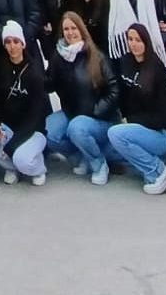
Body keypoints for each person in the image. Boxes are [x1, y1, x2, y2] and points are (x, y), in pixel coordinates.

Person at [45, 11, 120, 185]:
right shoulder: (58, 56)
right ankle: (81, 154)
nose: (70, 33)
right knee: (48, 131)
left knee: (77, 128)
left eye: (74, 28)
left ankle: (99, 164)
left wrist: (96, 110)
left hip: (99, 118)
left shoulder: (96, 56)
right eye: (66, 29)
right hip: (71, 114)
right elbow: (48, 84)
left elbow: (114, 90)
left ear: (81, 30)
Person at [105, 24, 166, 194]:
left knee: (116, 135)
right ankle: (154, 165)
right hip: (137, 127)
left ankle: (157, 170)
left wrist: (132, 121)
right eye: (130, 39)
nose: (134, 44)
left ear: (146, 41)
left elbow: (164, 116)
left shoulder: (156, 68)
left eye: (138, 40)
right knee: (110, 148)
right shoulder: (125, 62)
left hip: (160, 132)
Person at [0, 20, 49, 186]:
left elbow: (36, 115)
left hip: (33, 131)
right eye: (8, 42)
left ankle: (38, 168)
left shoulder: (34, 72)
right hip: (9, 127)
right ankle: (11, 168)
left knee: (22, 159)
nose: (12, 46)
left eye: (16, 41)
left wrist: (12, 145)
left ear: (23, 44)